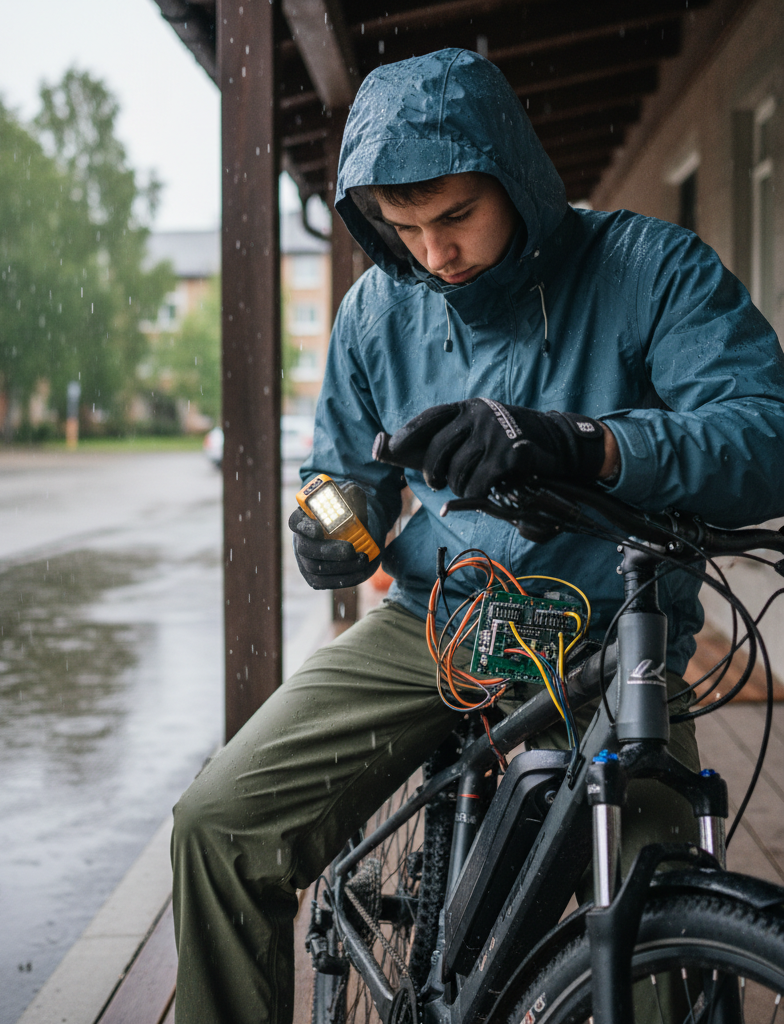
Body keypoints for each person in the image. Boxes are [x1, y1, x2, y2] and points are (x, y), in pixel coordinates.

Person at [171, 48, 784, 1024]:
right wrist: (334, 525)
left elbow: (764, 435)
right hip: (439, 617)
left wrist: (581, 445)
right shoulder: (376, 311)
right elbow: (338, 475)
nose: (433, 252)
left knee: (653, 920)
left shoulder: (647, 268)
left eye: (455, 215)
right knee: (220, 822)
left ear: (516, 175)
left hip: (608, 632)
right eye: (403, 226)